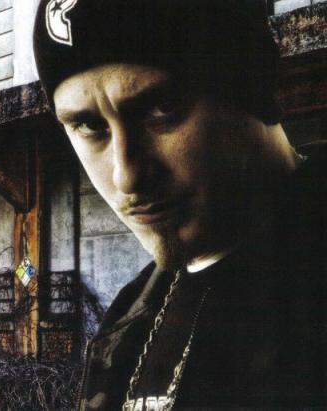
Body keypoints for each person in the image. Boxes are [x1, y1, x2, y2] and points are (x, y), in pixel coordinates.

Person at [34, 0, 327, 409]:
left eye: (162, 108)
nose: (126, 176)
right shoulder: (127, 317)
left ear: (252, 87)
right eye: (89, 125)